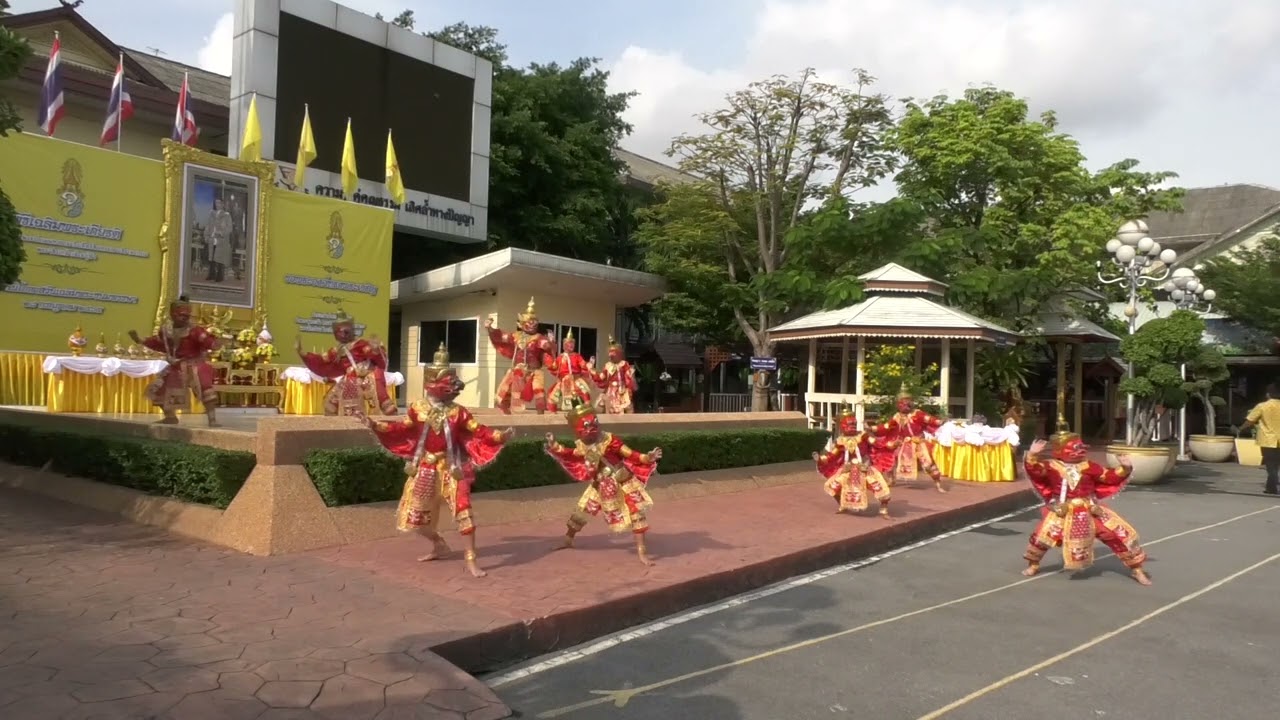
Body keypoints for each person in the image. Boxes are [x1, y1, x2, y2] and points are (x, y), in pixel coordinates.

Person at [358, 344, 512, 578]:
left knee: (464, 513)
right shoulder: (417, 408)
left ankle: (471, 559)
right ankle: (439, 544)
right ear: (434, 386)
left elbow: (478, 430)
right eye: (449, 384)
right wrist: (375, 424)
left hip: (452, 468)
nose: (454, 389)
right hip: (426, 468)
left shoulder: (458, 412)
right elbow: (402, 428)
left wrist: (500, 436)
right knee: (416, 517)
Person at [1021, 429, 1150, 586]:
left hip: (1090, 509)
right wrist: (1032, 455)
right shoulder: (1051, 466)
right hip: (1063, 510)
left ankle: (1137, 570)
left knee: (1117, 535)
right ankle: (1033, 565)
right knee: (1042, 536)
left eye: (1080, 446)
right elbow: (1035, 471)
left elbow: (1108, 477)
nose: (1080, 449)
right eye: (1075, 447)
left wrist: (1124, 468)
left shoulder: (1089, 466)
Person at [544, 398, 663, 566]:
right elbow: (570, 453)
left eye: (593, 424)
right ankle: (568, 539)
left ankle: (641, 551)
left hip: (623, 482)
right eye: (585, 427)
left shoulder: (610, 440)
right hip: (600, 485)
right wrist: (554, 445)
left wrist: (647, 457)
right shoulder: (583, 446)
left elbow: (630, 454)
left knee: (636, 513)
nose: (591, 429)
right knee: (582, 511)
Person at [129, 295, 220, 426]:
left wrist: (215, 344)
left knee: (206, 389)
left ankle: (212, 419)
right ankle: (170, 417)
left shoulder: (194, 330)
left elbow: (208, 342)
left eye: (187, 315)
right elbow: (158, 343)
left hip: (195, 365)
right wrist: (140, 340)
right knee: (159, 389)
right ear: (173, 314)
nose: (185, 318)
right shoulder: (166, 331)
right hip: (176, 367)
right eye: (181, 315)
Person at [294, 310, 397, 417]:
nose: (343, 334)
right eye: (339, 332)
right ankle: (338, 425)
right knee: (330, 400)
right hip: (349, 378)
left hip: (366, 375)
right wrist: (302, 353)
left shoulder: (360, 344)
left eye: (346, 331)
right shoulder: (336, 351)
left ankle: (390, 417)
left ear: (352, 331)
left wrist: (375, 350)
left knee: (378, 393)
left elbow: (373, 354)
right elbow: (321, 360)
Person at [814, 403, 892, 517]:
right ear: (842, 426)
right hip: (848, 469)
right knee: (831, 485)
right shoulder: (840, 441)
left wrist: (891, 445)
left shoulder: (863, 436)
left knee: (879, 487)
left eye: (854, 424)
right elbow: (832, 455)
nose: (853, 427)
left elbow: (876, 443)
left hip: (864, 467)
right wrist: (820, 459)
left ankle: (883, 509)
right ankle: (842, 504)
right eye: (849, 425)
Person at [869, 383, 948, 492]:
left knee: (928, 463)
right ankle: (891, 480)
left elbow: (928, 419)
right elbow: (887, 426)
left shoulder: (917, 414)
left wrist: (938, 421)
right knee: (889, 457)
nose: (905, 406)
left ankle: (938, 484)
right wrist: (874, 429)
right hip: (901, 442)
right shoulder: (897, 417)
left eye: (907, 403)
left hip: (917, 442)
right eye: (902, 403)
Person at [486, 297, 555, 414]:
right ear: (522, 324)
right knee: (506, 389)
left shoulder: (538, 337)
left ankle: (541, 415)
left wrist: (551, 342)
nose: (533, 325)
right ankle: (510, 410)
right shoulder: (516, 336)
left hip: (535, 372)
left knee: (539, 392)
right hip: (518, 369)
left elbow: (546, 346)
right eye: (529, 322)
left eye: (535, 323)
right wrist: (490, 328)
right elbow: (501, 336)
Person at [1238, 382, 1280, 495]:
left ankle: (1274, 485)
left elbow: (1250, 420)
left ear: (1268, 394)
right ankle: (1271, 487)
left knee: (1271, 465)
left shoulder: (1262, 406)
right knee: (1276, 465)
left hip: (1267, 439)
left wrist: (1240, 429)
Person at [546, 329, 595, 412]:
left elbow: (583, 365)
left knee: (584, 392)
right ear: (564, 345)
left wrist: (589, 364)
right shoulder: (560, 357)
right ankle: (552, 415)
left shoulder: (577, 356)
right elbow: (554, 367)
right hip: (563, 381)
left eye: (573, 344)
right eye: (569, 343)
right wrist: (549, 356)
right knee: (553, 396)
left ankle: (587, 411)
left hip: (575, 379)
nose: (571, 345)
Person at [593, 335, 638, 414]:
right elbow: (601, 377)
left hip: (622, 390)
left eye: (614, 353)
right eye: (610, 353)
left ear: (619, 353)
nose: (611, 355)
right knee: (603, 407)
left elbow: (629, 377)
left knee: (628, 407)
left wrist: (631, 382)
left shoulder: (624, 364)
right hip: (611, 391)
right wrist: (592, 371)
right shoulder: (607, 366)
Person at [204, 197, 233, 283]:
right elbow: (208, 225)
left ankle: (219, 276)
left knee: (220, 259)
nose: (217, 205)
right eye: (216, 203)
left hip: (221, 240)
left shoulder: (227, 215)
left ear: (222, 204)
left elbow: (229, 228)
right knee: (211, 257)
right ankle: (211, 274)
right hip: (212, 238)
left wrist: (222, 232)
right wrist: (206, 235)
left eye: (219, 203)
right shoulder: (212, 214)